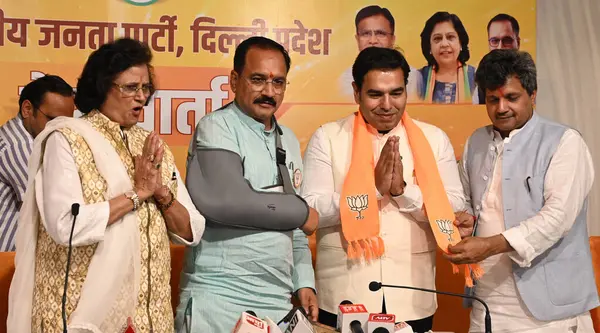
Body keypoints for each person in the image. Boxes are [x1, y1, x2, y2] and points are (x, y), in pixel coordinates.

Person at [7, 38, 205, 333]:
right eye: (130, 88)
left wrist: (162, 195)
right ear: (102, 87)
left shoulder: (150, 144)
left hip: (152, 320)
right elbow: (65, 225)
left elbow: (192, 231)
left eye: (146, 88)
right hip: (82, 317)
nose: (141, 97)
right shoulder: (67, 140)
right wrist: (136, 195)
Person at [302, 47, 465, 333]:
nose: (387, 105)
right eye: (375, 94)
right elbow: (310, 210)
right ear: (356, 92)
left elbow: (452, 208)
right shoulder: (327, 137)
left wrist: (403, 191)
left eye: (397, 93)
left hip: (413, 296)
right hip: (344, 293)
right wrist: (372, 191)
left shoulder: (434, 139)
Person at [446, 49, 598, 333]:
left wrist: (490, 244)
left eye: (511, 98)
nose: (501, 108)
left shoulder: (565, 142)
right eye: (492, 99)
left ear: (533, 94)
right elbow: (465, 202)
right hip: (486, 303)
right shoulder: (476, 142)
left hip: (549, 312)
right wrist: (464, 221)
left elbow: (557, 218)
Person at [175, 36, 319, 333]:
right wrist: (302, 212)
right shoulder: (216, 126)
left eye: (278, 82)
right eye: (258, 80)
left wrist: (304, 281)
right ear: (234, 79)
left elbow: (295, 230)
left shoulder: (289, 139)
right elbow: (229, 202)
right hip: (218, 299)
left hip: (277, 303)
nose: (269, 92)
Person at [0, 74, 74, 252]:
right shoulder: (18, 146)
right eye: (53, 120)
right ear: (27, 109)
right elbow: (53, 205)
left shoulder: (34, 139)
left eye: (67, 122)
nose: (61, 129)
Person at [339, 5, 422, 102]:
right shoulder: (344, 80)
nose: (373, 41)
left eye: (380, 33)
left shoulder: (414, 77)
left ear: (392, 39)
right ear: (357, 39)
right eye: (366, 34)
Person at [418, 11, 476, 104]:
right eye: (437, 38)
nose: (444, 44)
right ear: (429, 47)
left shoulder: (476, 77)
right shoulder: (418, 79)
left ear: (461, 43)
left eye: (450, 37)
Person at [476, 14, 521, 104]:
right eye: (494, 41)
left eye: (507, 40)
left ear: (518, 43)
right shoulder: (480, 87)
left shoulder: (531, 80)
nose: (500, 47)